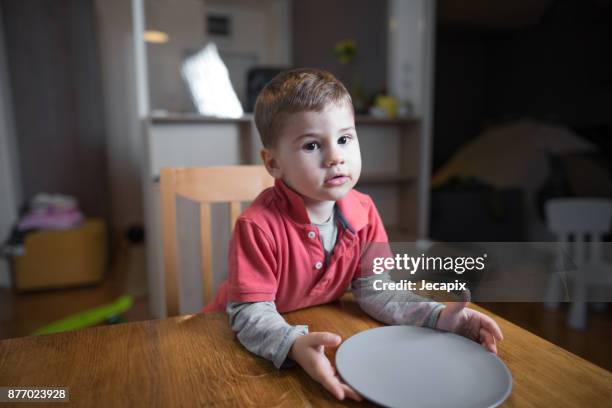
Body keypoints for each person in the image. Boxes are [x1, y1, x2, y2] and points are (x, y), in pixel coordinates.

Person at [204, 68, 503, 401]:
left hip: (318, 323)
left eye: (344, 139)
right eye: (312, 145)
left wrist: (436, 317)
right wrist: (292, 345)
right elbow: (250, 315)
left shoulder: (364, 213)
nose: (335, 157)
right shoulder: (257, 226)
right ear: (273, 163)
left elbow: (376, 291)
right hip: (236, 341)